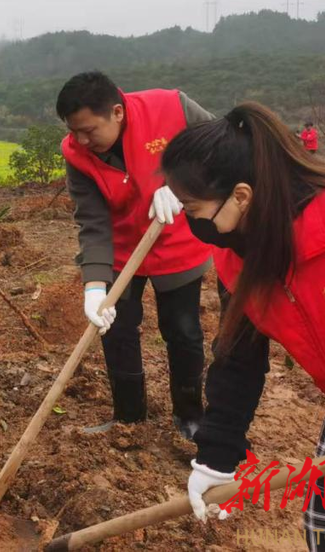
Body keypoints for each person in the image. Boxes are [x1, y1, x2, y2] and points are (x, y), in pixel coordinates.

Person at [161, 102, 325, 552]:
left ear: (242, 196)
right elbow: (237, 361)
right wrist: (216, 457)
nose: (190, 222)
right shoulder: (235, 261)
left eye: (192, 208)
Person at [57, 71, 215, 439]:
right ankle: (128, 419)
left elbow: (222, 146)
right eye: (73, 131)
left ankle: (190, 418)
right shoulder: (77, 154)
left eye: (89, 130)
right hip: (121, 251)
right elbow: (93, 223)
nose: (81, 140)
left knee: (183, 331)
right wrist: (94, 286)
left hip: (176, 241)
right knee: (117, 331)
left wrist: (183, 183)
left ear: (116, 112)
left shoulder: (172, 107)